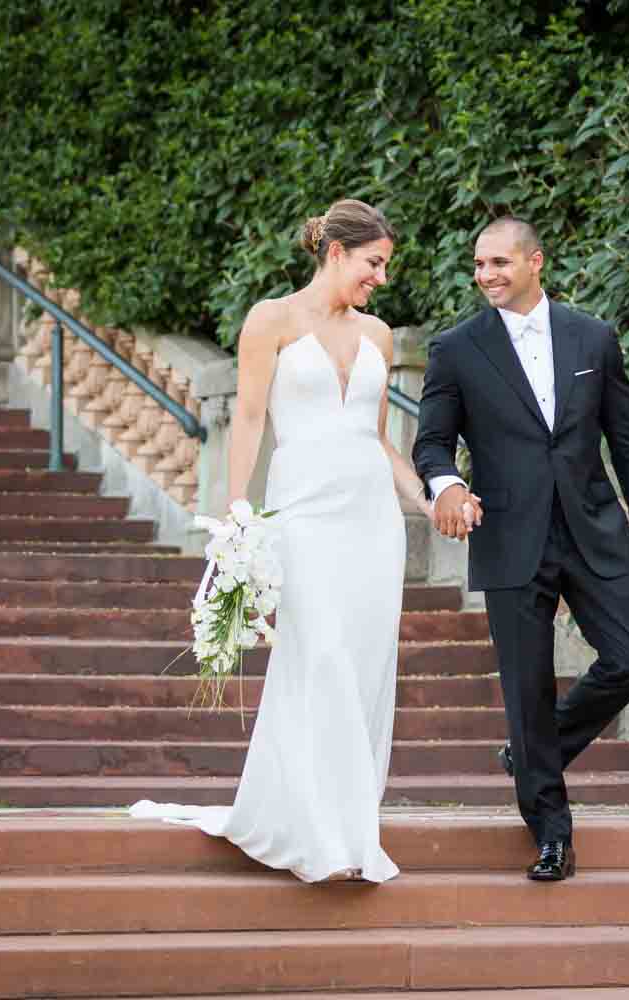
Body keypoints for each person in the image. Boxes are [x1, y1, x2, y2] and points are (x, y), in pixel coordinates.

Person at [131, 199, 430, 884]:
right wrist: (238, 514)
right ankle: (315, 832)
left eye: (385, 266)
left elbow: (380, 439)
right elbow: (250, 419)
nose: (381, 278)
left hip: (371, 522)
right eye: (373, 263)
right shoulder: (269, 320)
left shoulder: (380, 337)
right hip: (304, 515)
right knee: (318, 654)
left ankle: (352, 828)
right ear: (335, 252)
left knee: (361, 668)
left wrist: (430, 494)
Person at [413, 216, 629, 882]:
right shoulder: (456, 350)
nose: (487, 275)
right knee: (525, 690)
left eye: (499, 262)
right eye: (478, 266)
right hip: (508, 535)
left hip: (594, 531)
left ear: (536, 262)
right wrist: (445, 488)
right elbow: (431, 442)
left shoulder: (594, 337)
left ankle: (536, 750)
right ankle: (552, 834)